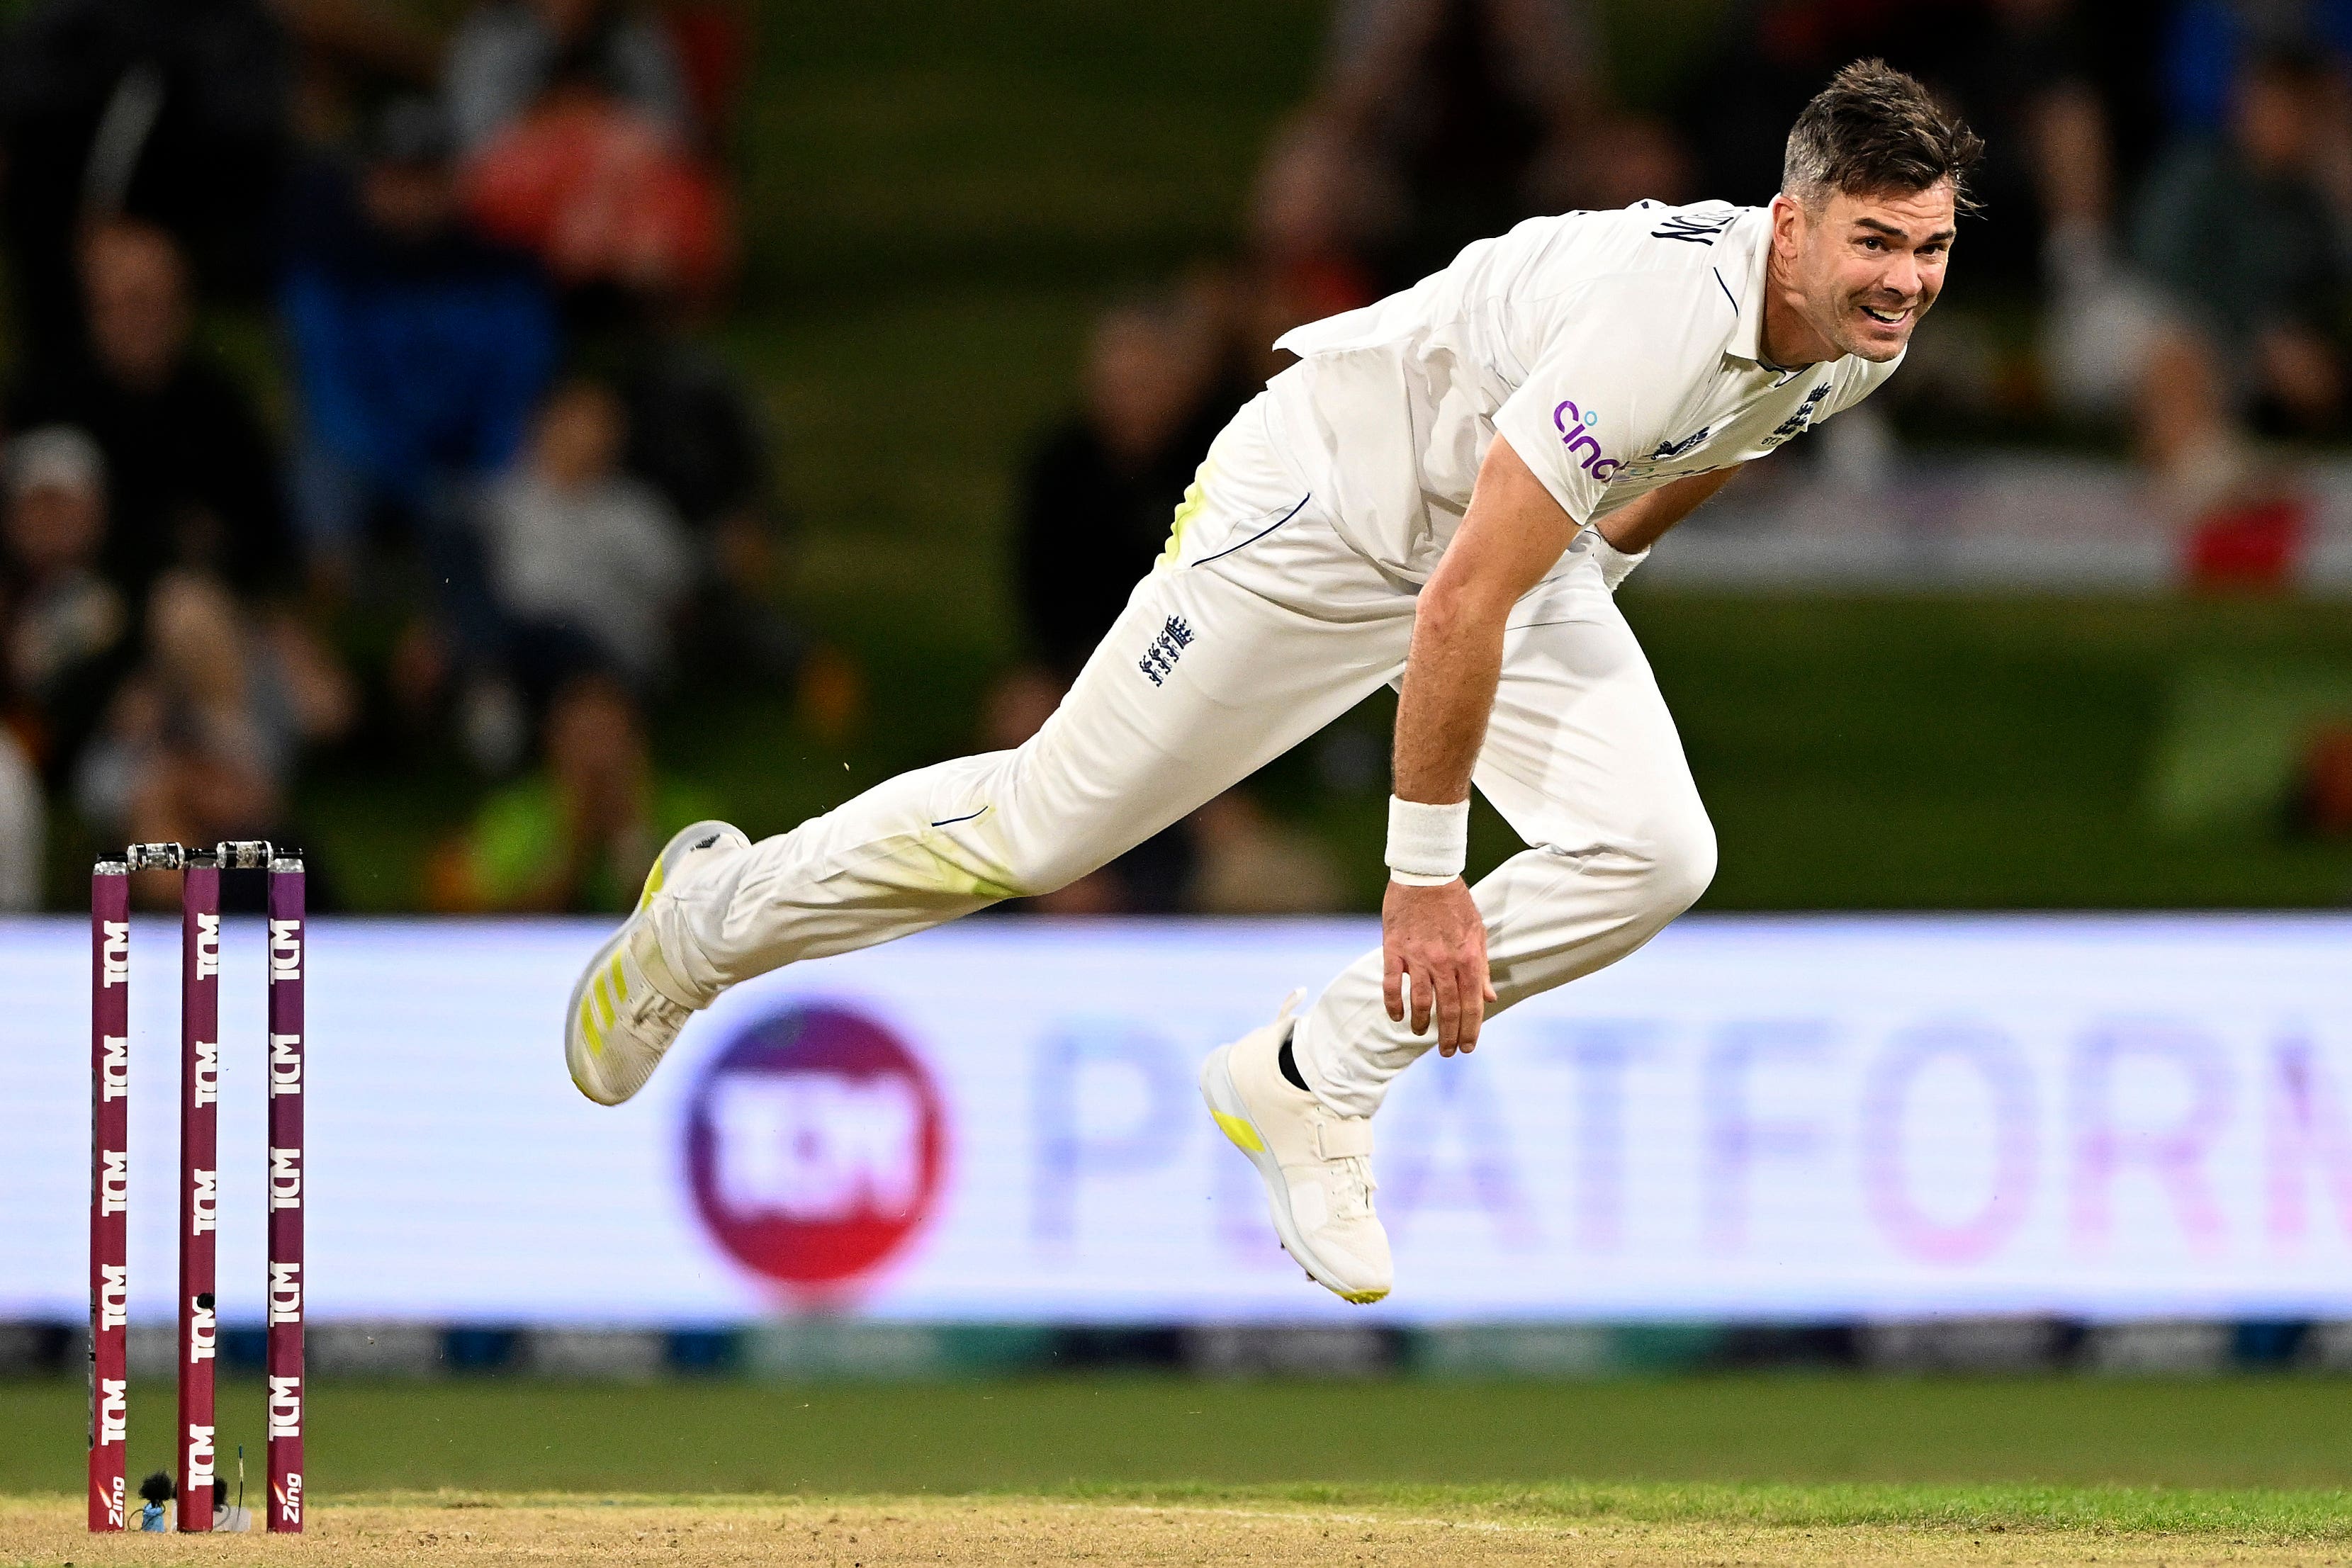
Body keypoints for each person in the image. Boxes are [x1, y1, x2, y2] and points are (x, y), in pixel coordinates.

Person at [560, 62, 1976, 1307]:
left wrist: (1594, 571)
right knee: (1043, 830)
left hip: (1495, 543)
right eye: (1875, 243)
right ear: (1788, 227)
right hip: (1318, 511)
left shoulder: (1855, 340)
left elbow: (1710, 446)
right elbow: (1462, 596)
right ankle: (703, 925)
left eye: (1930, 246)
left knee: (1657, 850)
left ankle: (1312, 1073)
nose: (1905, 279)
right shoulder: (1659, 319)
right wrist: (1422, 881)